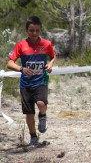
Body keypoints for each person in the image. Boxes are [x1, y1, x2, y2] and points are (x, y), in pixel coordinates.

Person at [7, 16, 56, 146]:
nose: (34, 33)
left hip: (41, 81)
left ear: (40, 30)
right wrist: (21, 68)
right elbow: (10, 63)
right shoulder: (20, 45)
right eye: (31, 30)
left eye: (37, 30)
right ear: (27, 30)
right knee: (29, 113)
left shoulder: (46, 44)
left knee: (41, 103)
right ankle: (33, 137)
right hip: (26, 84)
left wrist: (50, 64)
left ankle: (43, 115)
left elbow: (53, 56)